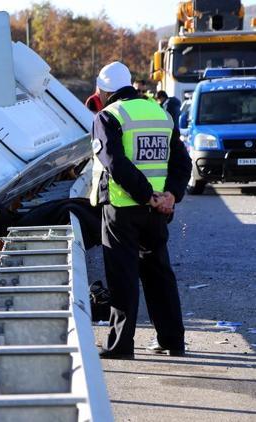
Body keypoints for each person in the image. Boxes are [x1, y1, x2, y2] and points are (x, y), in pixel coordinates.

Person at [89, 61, 192, 360]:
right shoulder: (160, 114)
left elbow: (115, 164)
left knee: (123, 277)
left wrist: (148, 196)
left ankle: (120, 346)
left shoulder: (108, 116)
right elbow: (181, 163)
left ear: (104, 91)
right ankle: (173, 341)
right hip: (157, 211)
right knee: (159, 273)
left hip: (123, 209)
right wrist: (170, 195)